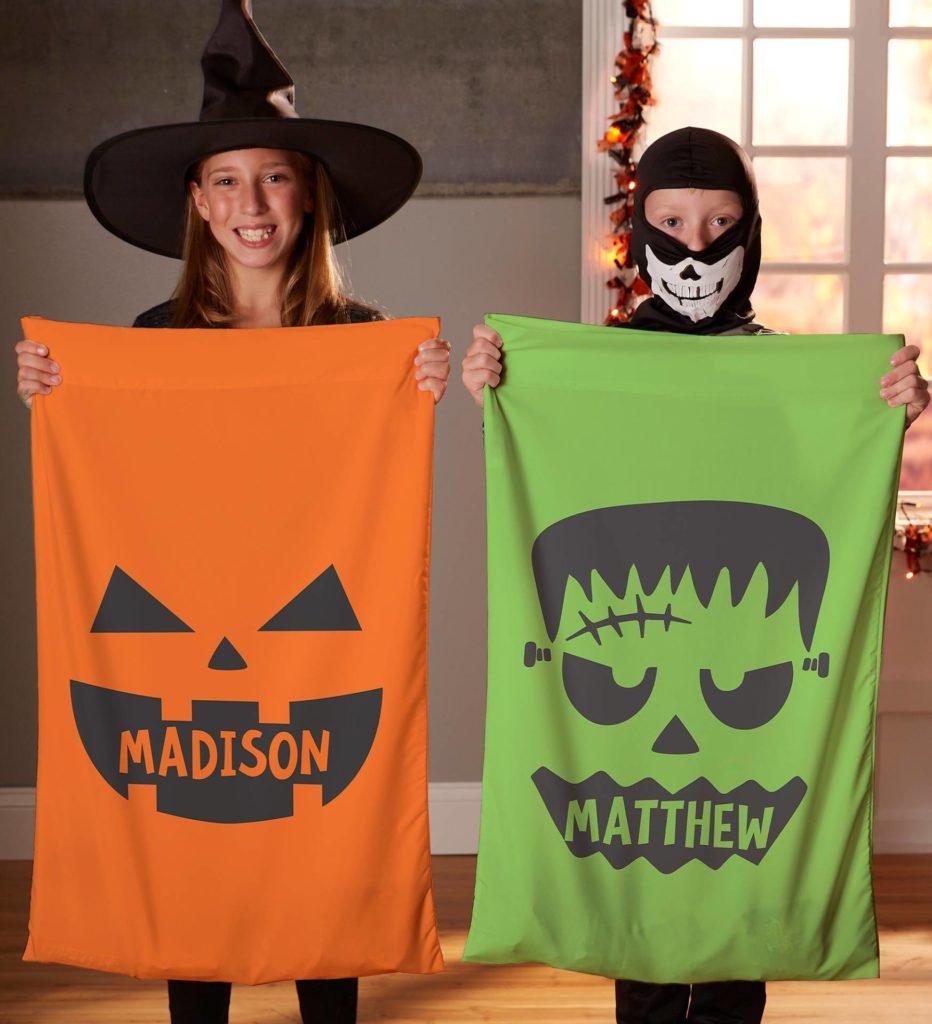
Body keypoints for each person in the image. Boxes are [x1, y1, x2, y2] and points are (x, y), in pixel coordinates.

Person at [14, 4, 449, 1023]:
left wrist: (420, 379)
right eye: (227, 181)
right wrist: (53, 390)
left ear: (309, 198)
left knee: (321, 844)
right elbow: (120, 485)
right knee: (193, 840)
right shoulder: (151, 339)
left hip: (312, 636)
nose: (252, 202)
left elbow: (372, 483)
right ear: (199, 207)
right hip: (180, 617)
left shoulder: (362, 337)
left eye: (275, 175)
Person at [460, 126, 929, 1024]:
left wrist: (893, 415)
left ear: (751, 235)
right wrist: (503, 394)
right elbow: (564, 480)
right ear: (639, 233)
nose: (697, 246)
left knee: (730, 922)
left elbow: (818, 486)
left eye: (720, 224)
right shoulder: (596, 373)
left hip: (738, 679)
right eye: (672, 222)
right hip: (629, 667)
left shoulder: (783, 376)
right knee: (636, 900)